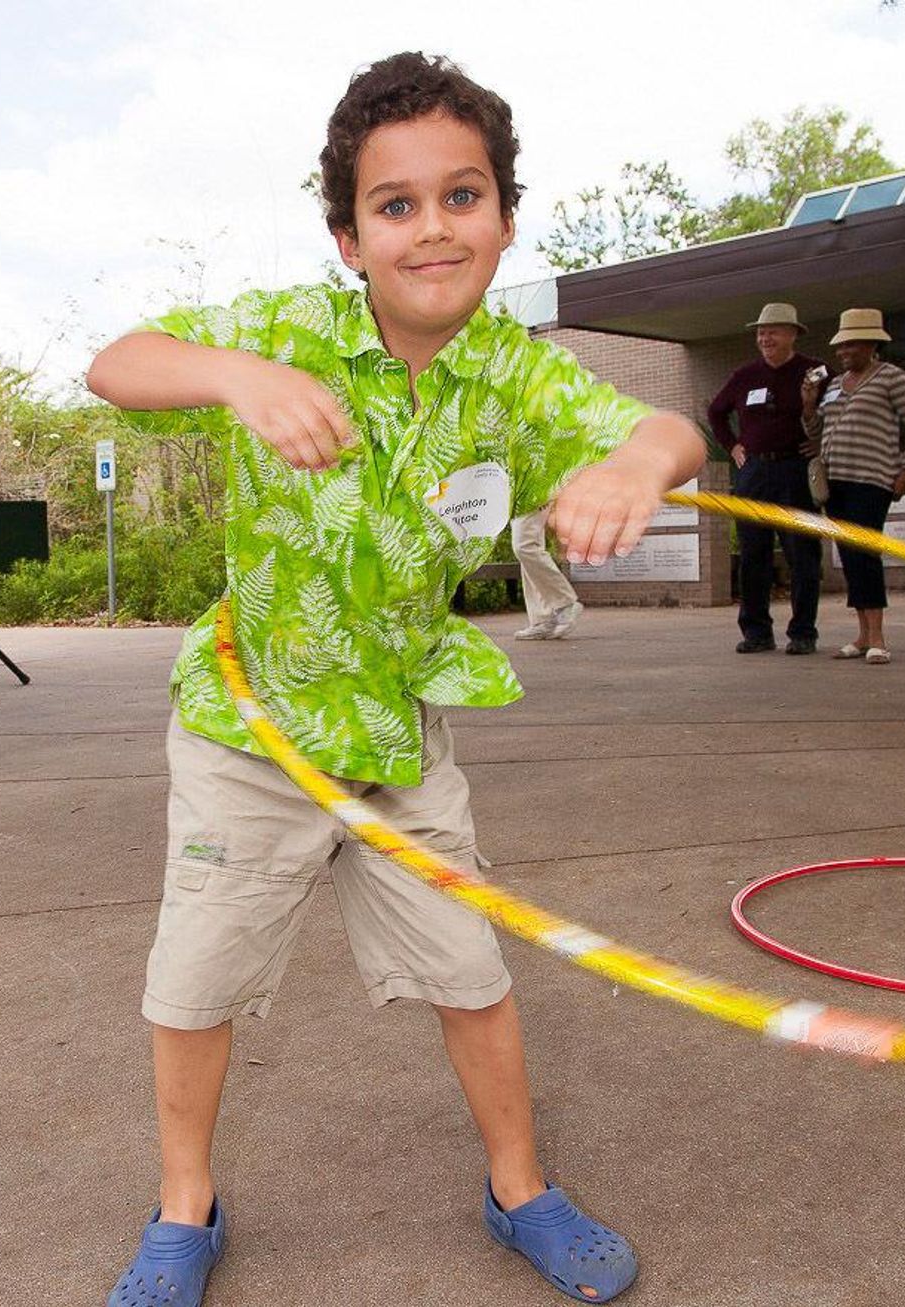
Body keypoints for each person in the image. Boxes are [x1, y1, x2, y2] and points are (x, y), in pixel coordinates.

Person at [87, 51, 704, 1307]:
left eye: (461, 196)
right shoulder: (283, 332)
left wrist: (635, 468)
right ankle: (183, 1205)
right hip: (244, 730)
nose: (432, 229)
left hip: (398, 734)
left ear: (505, 218)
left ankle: (519, 1185)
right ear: (348, 234)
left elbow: (667, 430)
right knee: (193, 983)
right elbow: (119, 359)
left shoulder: (515, 377)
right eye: (396, 204)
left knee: (471, 970)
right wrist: (233, 376)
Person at [802, 308, 905, 664]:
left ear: (872, 344)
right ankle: (861, 635)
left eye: (851, 345)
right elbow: (815, 434)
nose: (843, 352)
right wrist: (809, 407)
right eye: (841, 346)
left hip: (872, 480)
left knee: (865, 553)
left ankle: (877, 637)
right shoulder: (834, 385)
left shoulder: (892, 378)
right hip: (835, 482)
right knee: (851, 556)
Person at [708, 303, 829, 655]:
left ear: (793, 334)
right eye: (761, 332)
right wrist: (732, 446)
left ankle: (803, 632)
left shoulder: (816, 371)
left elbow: (837, 410)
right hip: (755, 473)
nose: (765, 338)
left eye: (773, 331)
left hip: (795, 470)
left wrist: (821, 441)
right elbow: (716, 413)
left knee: (802, 554)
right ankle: (757, 632)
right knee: (753, 554)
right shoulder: (744, 376)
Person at [512, 506, 583, 639]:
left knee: (524, 546)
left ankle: (565, 603)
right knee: (529, 549)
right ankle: (543, 620)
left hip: (533, 489)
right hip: (518, 491)